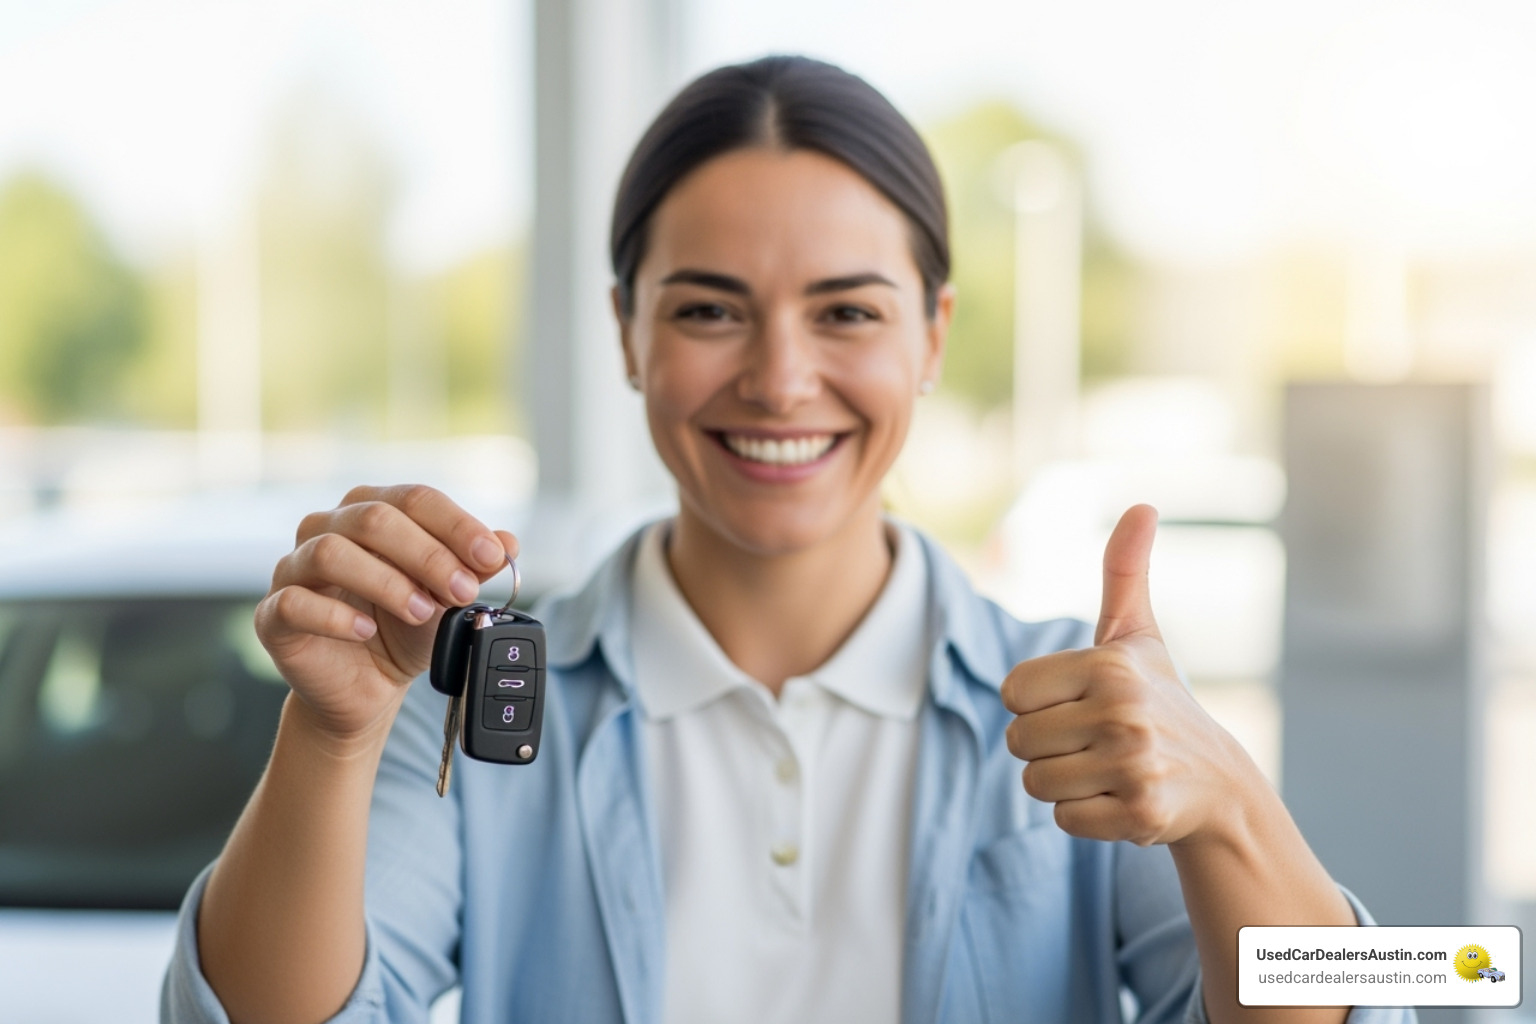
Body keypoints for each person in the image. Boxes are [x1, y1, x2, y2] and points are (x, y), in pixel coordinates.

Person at [163, 56, 1410, 1024]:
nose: (779, 377)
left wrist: (1232, 808)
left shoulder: (1082, 708)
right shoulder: (478, 708)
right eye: (709, 308)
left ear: (932, 334)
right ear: (626, 332)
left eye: (847, 311)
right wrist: (330, 735)